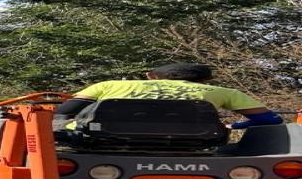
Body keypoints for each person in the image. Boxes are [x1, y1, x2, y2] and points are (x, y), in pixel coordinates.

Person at [54, 63, 283, 129]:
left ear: (151, 77)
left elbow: (63, 112)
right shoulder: (222, 92)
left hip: (101, 143)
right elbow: (270, 120)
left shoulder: (108, 85)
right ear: (205, 81)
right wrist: (233, 127)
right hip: (196, 144)